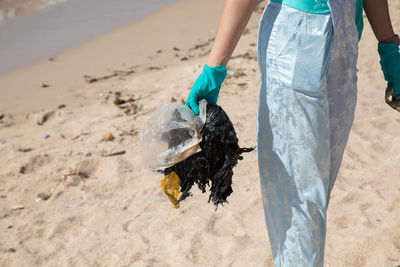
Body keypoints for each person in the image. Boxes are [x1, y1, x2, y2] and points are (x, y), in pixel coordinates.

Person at [184, 0, 400, 266]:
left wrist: (388, 45)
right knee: (304, 203)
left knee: (308, 202)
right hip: (315, 41)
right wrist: (213, 70)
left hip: (329, 43)